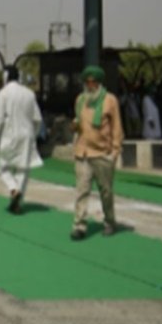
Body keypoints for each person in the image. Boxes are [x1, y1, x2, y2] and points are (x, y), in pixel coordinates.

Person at [71, 65, 124, 240]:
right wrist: (74, 125)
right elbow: (79, 124)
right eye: (87, 81)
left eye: (93, 82)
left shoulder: (110, 100)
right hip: (83, 152)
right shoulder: (80, 100)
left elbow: (117, 127)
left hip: (102, 153)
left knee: (106, 192)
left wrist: (115, 152)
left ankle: (109, 221)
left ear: (99, 83)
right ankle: (79, 225)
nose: (90, 84)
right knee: (81, 191)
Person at [0, 66, 44, 214]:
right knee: (23, 169)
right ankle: (17, 199)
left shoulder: (3, 93)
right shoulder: (29, 93)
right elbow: (37, 119)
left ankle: (13, 189)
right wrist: (34, 135)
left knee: (2, 168)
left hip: (9, 134)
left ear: (5, 77)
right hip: (27, 135)